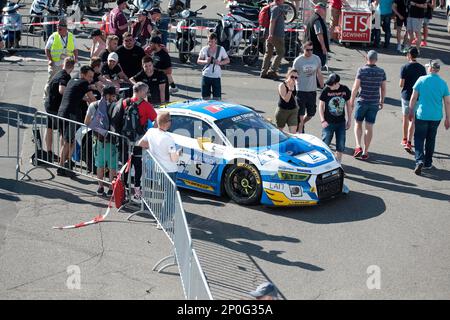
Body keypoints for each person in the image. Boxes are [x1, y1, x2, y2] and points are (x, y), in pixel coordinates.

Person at [113, 82, 157, 199]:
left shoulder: (124, 102)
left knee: (125, 165)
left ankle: (124, 190)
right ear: (140, 92)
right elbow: (156, 121)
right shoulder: (146, 105)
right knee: (137, 166)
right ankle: (137, 191)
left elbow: (117, 120)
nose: (147, 93)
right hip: (138, 141)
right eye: (145, 91)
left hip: (124, 140)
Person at [409, 60, 450, 175]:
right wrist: (448, 118)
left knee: (419, 138)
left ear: (431, 69)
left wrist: (411, 111)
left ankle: (419, 160)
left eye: (428, 67)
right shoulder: (443, 83)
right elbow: (447, 102)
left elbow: (413, 97)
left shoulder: (421, 80)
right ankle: (428, 163)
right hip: (436, 116)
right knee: (431, 139)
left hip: (422, 114)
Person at [57, 66, 96, 176]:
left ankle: (67, 165)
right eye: (89, 76)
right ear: (83, 75)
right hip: (71, 115)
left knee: (68, 141)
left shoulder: (72, 81)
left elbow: (75, 95)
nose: (91, 79)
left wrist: (87, 98)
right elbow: (93, 100)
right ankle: (62, 167)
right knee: (69, 142)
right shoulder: (83, 83)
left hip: (62, 112)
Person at [350, 50, 386, 160]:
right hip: (374, 102)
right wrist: (382, 100)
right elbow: (383, 88)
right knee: (369, 127)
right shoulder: (381, 72)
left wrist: (351, 101)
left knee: (358, 123)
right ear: (376, 59)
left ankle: (358, 146)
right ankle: (366, 151)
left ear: (366, 58)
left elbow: (355, 87)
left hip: (362, 101)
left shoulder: (361, 70)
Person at [84, 85, 118, 196]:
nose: (114, 98)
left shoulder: (93, 105)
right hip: (112, 140)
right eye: (113, 95)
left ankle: (100, 187)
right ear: (108, 95)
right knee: (112, 166)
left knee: (100, 165)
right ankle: (111, 188)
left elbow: (86, 122)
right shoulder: (115, 106)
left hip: (98, 139)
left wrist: (98, 129)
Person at [44, 56, 75, 162]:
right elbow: (61, 90)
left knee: (49, 128)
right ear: (73, 67)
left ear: (63, 65)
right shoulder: (65, 77)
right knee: (63, 131)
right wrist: (70, 95)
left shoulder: (58, 73)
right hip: (56, 108)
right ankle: (64, 155)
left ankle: (48, 152)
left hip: (49, 104)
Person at [138, 110, 182, 183]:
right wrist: (179, 153)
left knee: (162, 192)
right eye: (170, 120)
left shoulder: (151, 131)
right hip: (169, 170)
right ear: (167, 123)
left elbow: (141, 143)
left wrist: (154, 145)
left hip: (158, 169)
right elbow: (174, 159)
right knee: (169, 193)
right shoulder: (168, 138)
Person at [319, 73, 352, 163]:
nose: (329, 86)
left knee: (340, 145)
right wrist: (322, 120)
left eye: (331, 84)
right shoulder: (326, 90)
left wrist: (349, 120)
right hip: (328, 123)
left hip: (341, 122)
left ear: (337, 83)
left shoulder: (345, 89)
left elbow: (348, 105)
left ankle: (338, 164)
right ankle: (324, 164)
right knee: (325, 144)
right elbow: (321, 106)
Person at [292, 41, 324, 134]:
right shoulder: (298, 61)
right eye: (308, 50)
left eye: (311, 50)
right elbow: (293, 75)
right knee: (300, 114)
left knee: (311, 114)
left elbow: (319, 74)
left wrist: (323, 86)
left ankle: (301, 124)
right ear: (303, 49)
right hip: (300, 90)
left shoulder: (316, 59)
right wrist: (290, 87)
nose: (310, 52)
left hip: (312, 91)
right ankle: (300, 130)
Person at [399, 47, 426, 153]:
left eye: (407, 54)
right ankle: (409, 141)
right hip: (417, 97)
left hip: (406, 96)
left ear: (410, 55)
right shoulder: (422, 68)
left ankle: (404, 139)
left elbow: (401, 84)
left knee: (405, 118)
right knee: (413, 120)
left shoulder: (404, 67)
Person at [44, 19, 78, 99]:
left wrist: (76, 59)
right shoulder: (53, 36)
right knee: (51, 81)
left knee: (63, 82)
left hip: (66, 65)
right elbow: (47, 49)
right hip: (55, 64)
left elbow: (75, 49)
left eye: (59, 29)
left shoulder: (71, 37)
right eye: (57, 28)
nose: (58, 30)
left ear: (66, 28)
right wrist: (50, 60)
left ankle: (58, 98)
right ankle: (46, 97)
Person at [197, 33, 230, 101]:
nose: (210, 43)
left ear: (215, 41)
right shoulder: (204, 49)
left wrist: (219, 62)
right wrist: (206, 61)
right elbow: (198, 61)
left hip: (216, 76)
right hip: (206, 76)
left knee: (217, 99)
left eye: (212, 41)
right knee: (205, 99)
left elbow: (227, 60)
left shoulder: (221, 49)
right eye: (209, 41)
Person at [260, 0, 285, 80]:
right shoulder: (276, 8)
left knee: (268, 53)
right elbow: (272, 21)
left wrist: (269, 34)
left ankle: (263, 72)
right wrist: (271, 34)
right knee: (280, 52)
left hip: (269, 34)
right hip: (276, 35)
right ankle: (272, 71)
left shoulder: (271, 6)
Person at [305, 2, 329, 67]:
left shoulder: (312, 18)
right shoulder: (317, 19)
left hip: (311, 47)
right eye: (324, 9)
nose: (325, 11)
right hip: (316, 49)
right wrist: (323, 47)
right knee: (317, 67)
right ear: (321, 9)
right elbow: (319, 34)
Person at [276, 69, 299, 134]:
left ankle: (291, 144)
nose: (294, 79)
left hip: (293, 110)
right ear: (287, 75)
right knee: (279, 132)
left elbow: (295, 97)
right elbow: (286, 99)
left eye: (296, 77)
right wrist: (290, 90)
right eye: (292, 76)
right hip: (282, 111)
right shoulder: (282, 85)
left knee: (293, 133)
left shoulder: (295, 84)